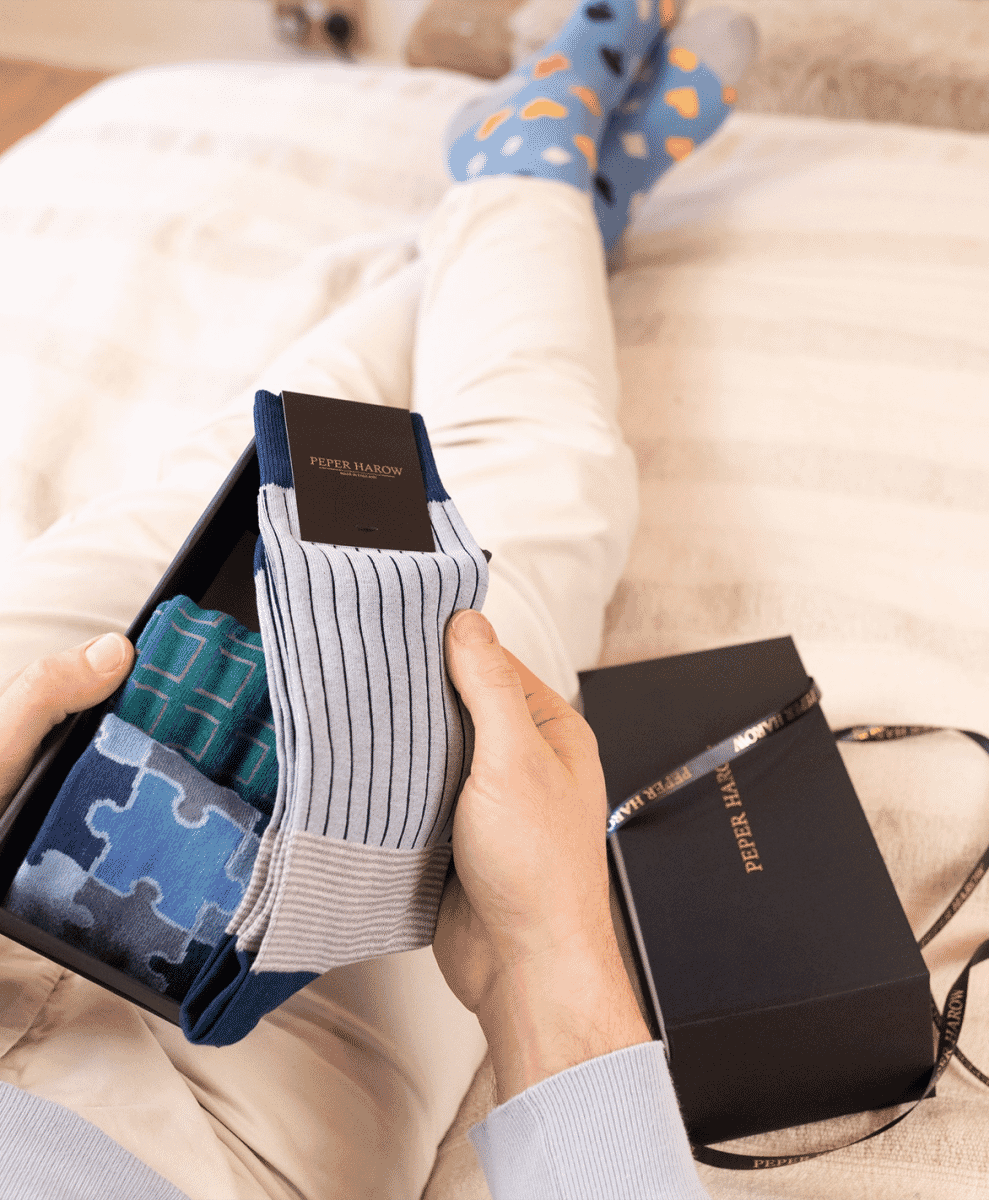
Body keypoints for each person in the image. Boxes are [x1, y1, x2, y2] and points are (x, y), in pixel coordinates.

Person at [0, 2, 756, 1196]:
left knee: (258, 466)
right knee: (520, 496)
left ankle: (533, 183)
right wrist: (540, 958)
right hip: (226, 1120)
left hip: (27, 779)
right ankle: (543, 176)